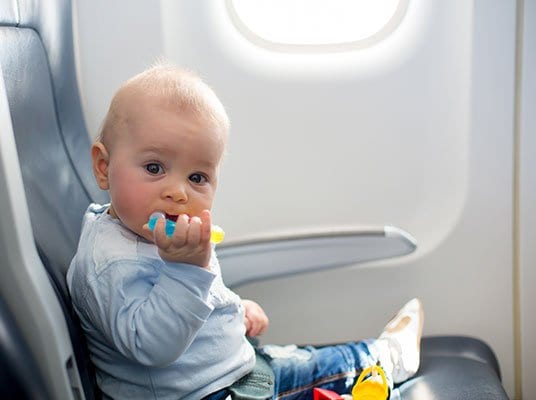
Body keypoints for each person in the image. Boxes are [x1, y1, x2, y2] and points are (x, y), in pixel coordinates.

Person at [66, 63, 424, 400]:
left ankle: (375, 356)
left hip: (223, 371)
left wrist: (233, 309)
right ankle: (387, 356)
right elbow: (150, 344)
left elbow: (191, 299)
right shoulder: (109, 263)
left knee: (296, 358)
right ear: (103, 166)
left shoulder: (150, 236)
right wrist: (187, 268)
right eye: (155, 167)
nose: (178, 192)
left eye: (197, 178)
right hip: (207, 392)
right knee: (318, 371)